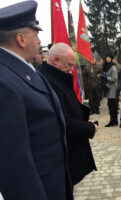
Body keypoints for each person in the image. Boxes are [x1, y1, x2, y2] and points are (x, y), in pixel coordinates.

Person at [0, 1, 73, 199]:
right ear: (21, 39)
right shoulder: (4, 81)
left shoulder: (23, 69)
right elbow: (14, 165)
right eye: (36, 34)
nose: (39, 40)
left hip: (54, 183)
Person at [40, 43, 97, 186]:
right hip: (64, 153)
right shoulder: (51, 82)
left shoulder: (58, 77)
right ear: (56, 60)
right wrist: (89, 128)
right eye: (69, 65)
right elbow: (63, 122)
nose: (72, 70)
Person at [98, 52, 118, 127]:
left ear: (111, 58)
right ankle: (114, 121)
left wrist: (105, 78)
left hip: (112, 88)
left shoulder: (113, 67)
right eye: (106, 57)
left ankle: (113, 121)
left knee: (111, 105)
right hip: (107, 87)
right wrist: (102, 76)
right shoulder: (106, 66)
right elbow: (106, 75)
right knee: (111, 105)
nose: (107, 58)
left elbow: (114, 78)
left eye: (109, 57)